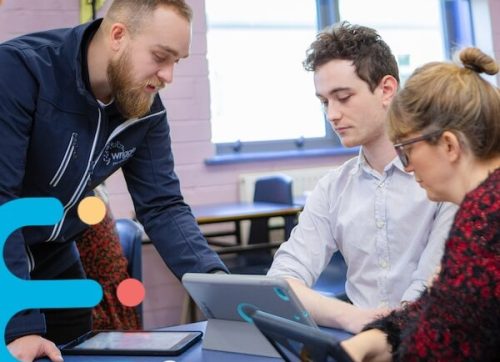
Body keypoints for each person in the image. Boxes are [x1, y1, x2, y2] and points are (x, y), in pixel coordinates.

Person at [0, 1, 228, 361]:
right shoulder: (18, 71)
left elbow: (163, 207)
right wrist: (19, 326)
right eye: (160, 56)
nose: (168, 75)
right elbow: (3, 200)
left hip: (53, 254)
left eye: (177, 62)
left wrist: (219, 287)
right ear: (118, 35)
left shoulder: (145, 108)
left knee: (80, 347)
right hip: (5, 253)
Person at [267, 22, 457, 333]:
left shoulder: (442, 180)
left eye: (343, 97)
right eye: (324, 101)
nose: (332, 114)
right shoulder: (333, 188)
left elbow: (429, 290)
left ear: (386, 89)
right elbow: (280, 283)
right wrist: (351, 317)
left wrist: (379, 330)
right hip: (359, 338)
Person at [340, 47, 500, 361]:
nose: (408, 167)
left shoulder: (484, 217)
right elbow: (442, 310)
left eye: (406, 151)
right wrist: (375, 338)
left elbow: (436, 348)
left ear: (449, 145)